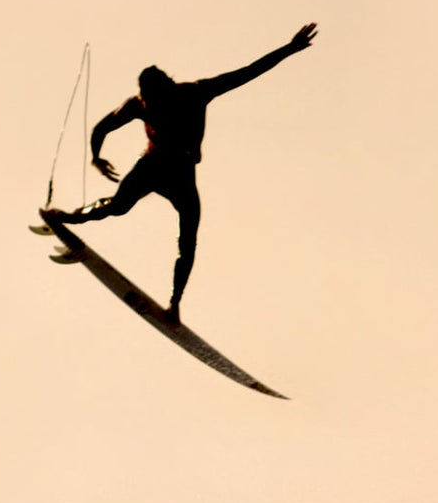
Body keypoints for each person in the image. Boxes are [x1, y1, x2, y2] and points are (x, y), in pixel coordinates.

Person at [44, 23, 318, 322]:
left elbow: (248, 72)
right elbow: (102, 127)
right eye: (147, 102)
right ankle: (65, 217)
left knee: (188, 240)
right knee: (117, 207)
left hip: (182, 176)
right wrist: (96, 156)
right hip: (150, 166)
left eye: (154, 102)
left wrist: (290, 48)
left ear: (169, 90)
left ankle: (174, 305)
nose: (149, 107)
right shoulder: (139, 104)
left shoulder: (196, 93)